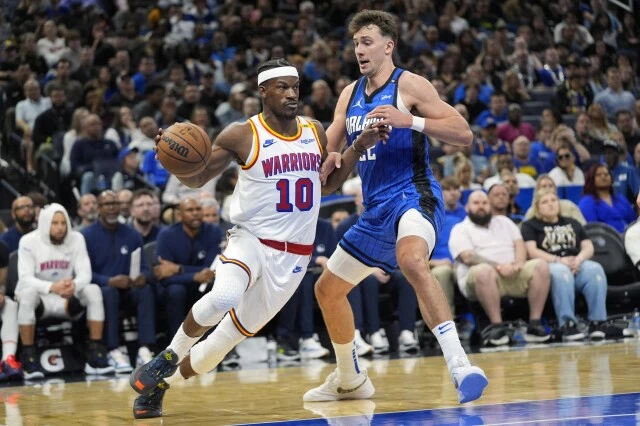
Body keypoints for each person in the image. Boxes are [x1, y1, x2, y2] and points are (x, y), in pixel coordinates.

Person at [129, 58, 389, 418]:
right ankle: (167, 356)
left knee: (218, 348)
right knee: (224, 295)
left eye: (294, 87)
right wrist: (169, 158)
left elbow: (326, 184)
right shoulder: (242, 134)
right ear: (262, 91)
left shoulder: (314, 130)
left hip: (294, 257)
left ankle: (158, 386)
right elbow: (197, 178)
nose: (290, 94)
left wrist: (357, 146)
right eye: (281, 87)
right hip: (250, 239)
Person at [308, 11, 487, 405]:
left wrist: (411, 121)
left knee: (412, 261)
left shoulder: (410, 84)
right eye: (355, 43)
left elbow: (464, 133)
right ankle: (349, 377)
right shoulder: (348, 96)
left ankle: (461, 366)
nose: (359, 49)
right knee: (327, 290)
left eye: (367, 41)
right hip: (374, 211)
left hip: (413, 195)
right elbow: (331, 171)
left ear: (388, 46)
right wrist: (344, 151)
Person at [16, 204, 113, 378]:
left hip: (68, 299)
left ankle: (95, 354)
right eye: (55, 223)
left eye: (63, 223)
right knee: (27, 294)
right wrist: (52, 287)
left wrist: (74, 285)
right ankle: (29, 358)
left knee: (93, 290)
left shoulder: (77, 238)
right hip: (41, 299)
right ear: (45, 224)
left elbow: (85, 273)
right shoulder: (28, 241)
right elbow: (25, 278)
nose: (60, 228)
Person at [448, 191, 552, 347]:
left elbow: (520, 245)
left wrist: (518, 264)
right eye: (476, 203)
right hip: (481, 278)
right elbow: (468, 257)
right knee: (483, 270)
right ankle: (497, 327)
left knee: (541, 266)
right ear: (467, 208)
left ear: (490, 206)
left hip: (512, 272)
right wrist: (498, 267)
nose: (481, 207)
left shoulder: (505, 222)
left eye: (484, 203)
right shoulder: (460, 229)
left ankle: (535, 324)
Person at [81, 191, 156, 374]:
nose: (112, 208)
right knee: (108, 292)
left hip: (129, 289)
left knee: (145, 290)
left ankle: (145, 349)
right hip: (102, 291)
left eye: (115, 203)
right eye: (107, 204)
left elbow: (146, 268)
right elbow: (84, 273)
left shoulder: (132, 235)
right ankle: (113, 350)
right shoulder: (86, 236)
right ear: (99, 208)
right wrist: (109, 281)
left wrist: (142, 277)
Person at [521, 190, 610, 341]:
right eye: (545, 202)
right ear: (537, 207)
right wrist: (557, 259)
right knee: (562, 272)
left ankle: (597, 322)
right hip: (550, 264)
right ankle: (567, 324)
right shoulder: (530, 226)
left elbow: (588, 247)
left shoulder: (571, 222)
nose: (550, 204)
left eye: (553, 200)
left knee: (595, 269)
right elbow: (531, 251)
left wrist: (579, 259)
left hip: (575, 263)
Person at [153, 198, 222, 338]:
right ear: (180, 215)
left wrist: (178, 269)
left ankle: (213, 343)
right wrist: (193, 275)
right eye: (190, 210)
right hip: (175, 287)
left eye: (198, 209)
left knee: (216, 287)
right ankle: (177, 344)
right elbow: (163, 275)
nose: (195, 213)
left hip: (203, 284)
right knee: (176, 290)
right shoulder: (166, 235)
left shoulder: (213, 231)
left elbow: (210, 269)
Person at [578, 164, 636, 233]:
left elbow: (633, 223)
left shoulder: (621, 199)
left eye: (606, 174)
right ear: (591, 179)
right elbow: (592, 229)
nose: (603, 177)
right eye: (598, 175)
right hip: (605, 239)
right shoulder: (586, 202)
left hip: (628, 237)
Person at [0, 241, 22, 382]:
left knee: (10, 305)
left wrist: (0, 292)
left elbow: (2, 278)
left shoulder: (1, 247)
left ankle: (7, 360)